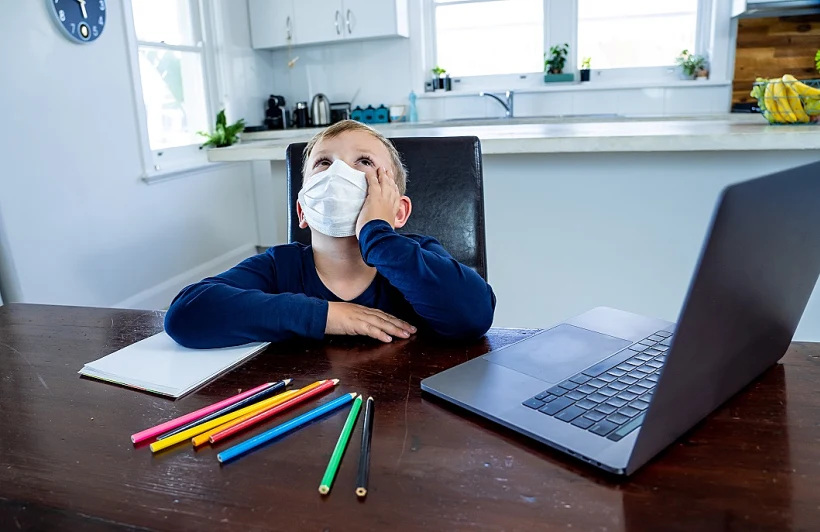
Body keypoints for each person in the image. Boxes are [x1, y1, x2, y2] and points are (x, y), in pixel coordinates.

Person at [164, 120, 496, 348]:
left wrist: (378, 235)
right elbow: (186, 314)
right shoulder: (280, 267)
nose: (340, 171)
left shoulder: (417, 256)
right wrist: (328, 315)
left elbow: (474, 315)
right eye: (323, 163)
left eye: (364, 161)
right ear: (303, 210)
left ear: (399, 210)